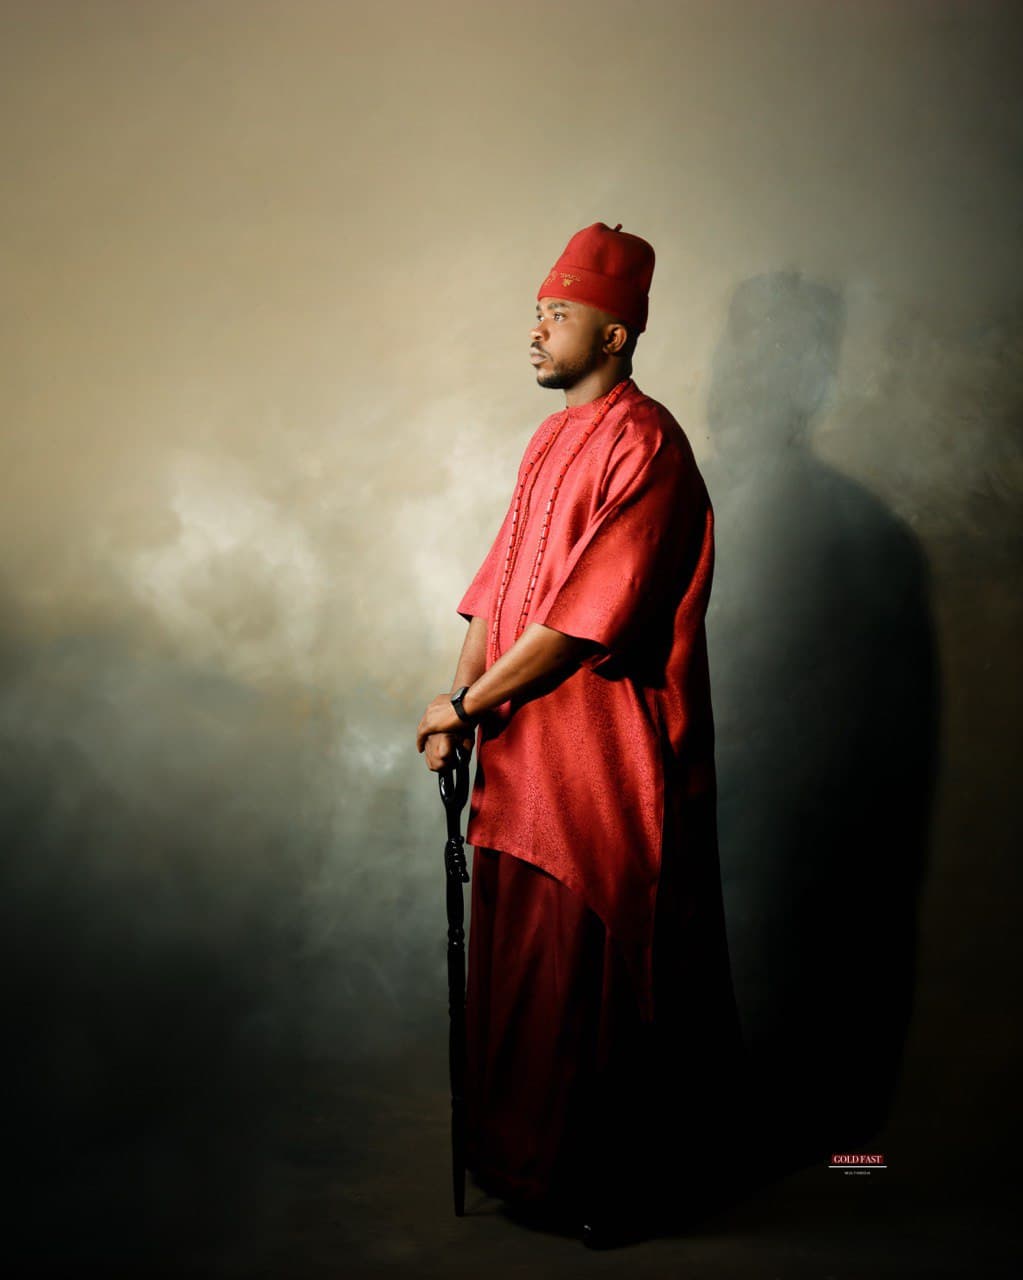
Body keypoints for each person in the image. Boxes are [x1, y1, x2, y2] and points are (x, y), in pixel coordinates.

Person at [416, 222, 744, 1246]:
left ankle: (608, 1180)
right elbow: (497, 590)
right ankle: (523, 1162)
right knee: (520, 965)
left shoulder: (648, 442)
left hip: (601, 757)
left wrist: (467, 707)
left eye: (559, 315)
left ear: (615, 335)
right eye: (538, 311)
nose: (537, 329)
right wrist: (455, 699)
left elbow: (577, 621)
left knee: (592, 964)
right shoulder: (548, 439)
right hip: (521, 750)